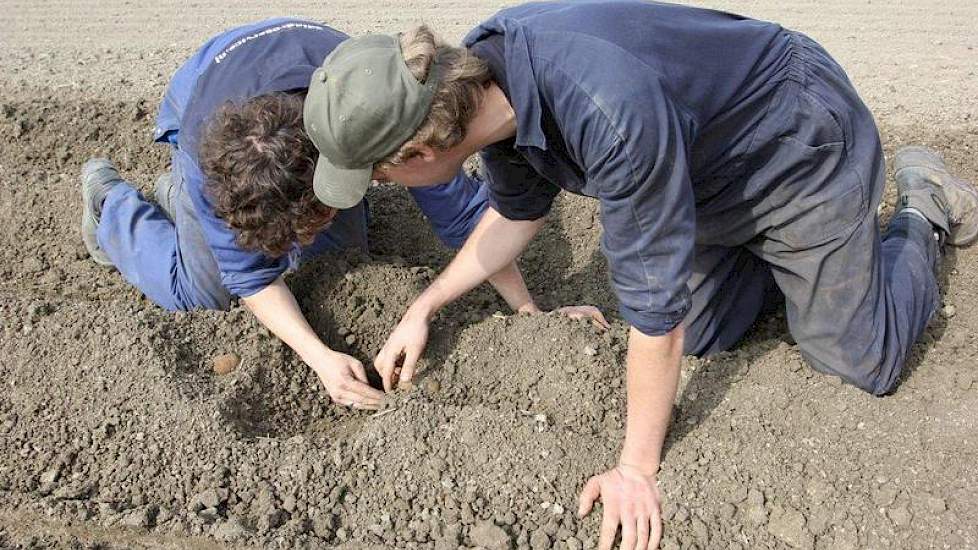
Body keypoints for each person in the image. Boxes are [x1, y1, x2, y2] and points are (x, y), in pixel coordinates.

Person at [301, 1, 978, 548]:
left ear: (421, 148)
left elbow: (657, 316)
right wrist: (426, 305)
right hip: (702, 167)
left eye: (379, 172)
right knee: (708, 339)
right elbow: (516, 213)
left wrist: (635, 470)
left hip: (792, 139)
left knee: (858, 357)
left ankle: (924, 206)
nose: (382, 185)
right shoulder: (486, 89)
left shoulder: (607, 113)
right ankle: (788, 261)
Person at [79, 18, 605, 412]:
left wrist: (527, 311)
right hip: (202, 92)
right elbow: (247, 274)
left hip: (302, 70)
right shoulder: (213, 159)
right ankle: (111, 204)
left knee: (336, 255)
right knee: (206, 291)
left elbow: (466, 219)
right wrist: (319, 358)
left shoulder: (371, 122)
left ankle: (188, 213)